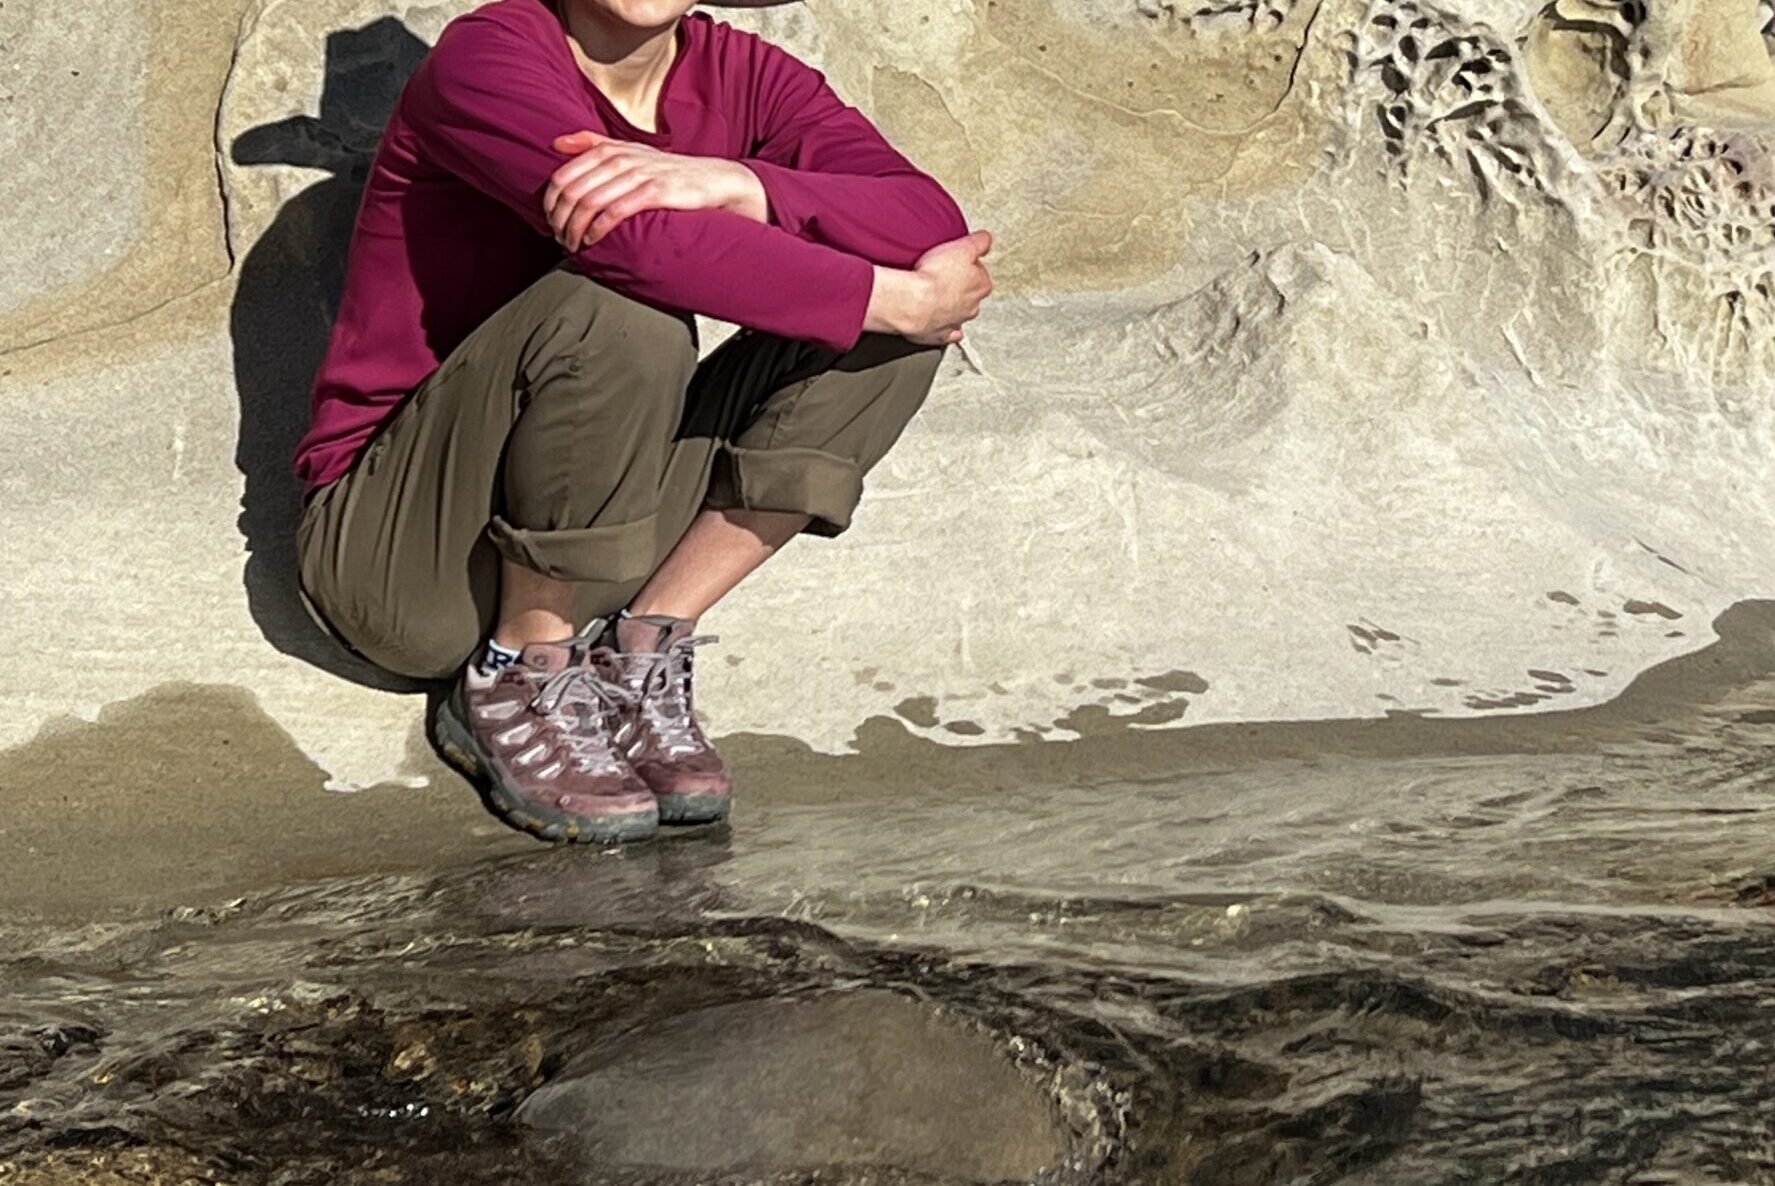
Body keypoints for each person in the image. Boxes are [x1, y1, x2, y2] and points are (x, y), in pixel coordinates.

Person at [291, 0, 993, 844]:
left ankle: (638, 649)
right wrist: (889, 296)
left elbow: (927, 221)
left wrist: (745, 183)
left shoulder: (742, 74)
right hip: (404, 559)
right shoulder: (491, 55)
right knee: (623, 310)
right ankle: (523, 666)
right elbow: (633, 248)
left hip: (606, 528)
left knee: (892, 344)